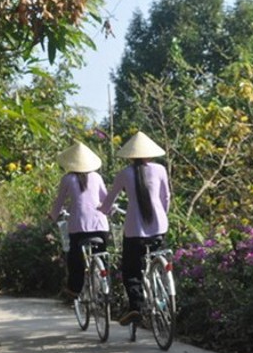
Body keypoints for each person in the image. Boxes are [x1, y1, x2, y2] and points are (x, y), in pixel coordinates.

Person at [99, 131, 170, 326]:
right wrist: (162, 215)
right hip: (159, 228)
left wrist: (103, 210)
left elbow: (110, 199)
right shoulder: (160, 170)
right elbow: (166, 198)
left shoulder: (124, 174)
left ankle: (135, 307)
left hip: (134, 231)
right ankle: (163, 295)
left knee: (131, 270)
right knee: (159, 260)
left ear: (130, 154)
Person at [49, 141, 109, 297]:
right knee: (101, 255)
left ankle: (74, 289)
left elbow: (59, 201)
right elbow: (105, 200)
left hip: (78, 226)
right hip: (100, 226)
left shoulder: (68, 179)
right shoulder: (97, 177)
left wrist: (52, 216)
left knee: (75, 260)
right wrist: (107, 211)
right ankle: (104, 284)